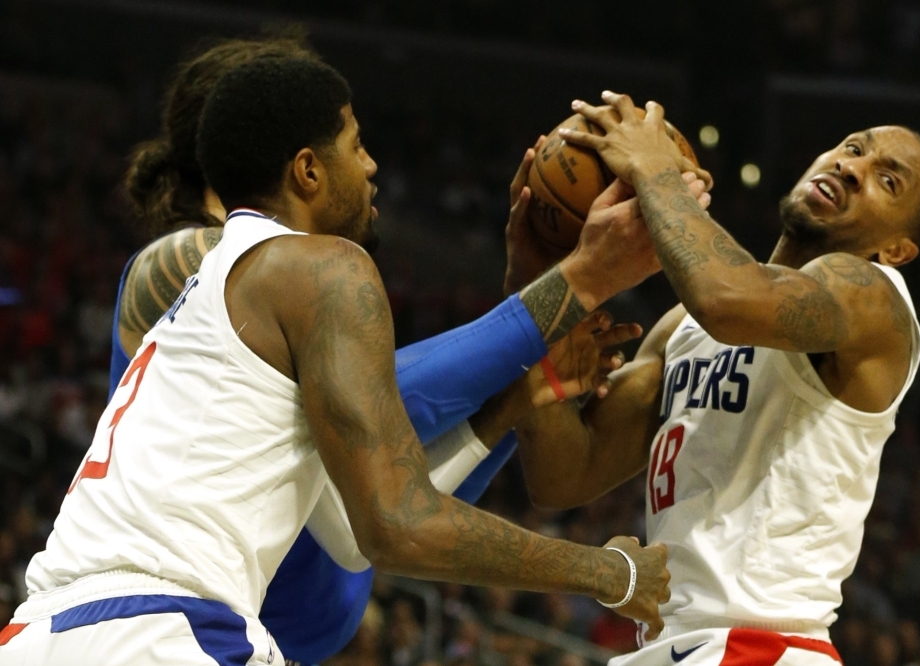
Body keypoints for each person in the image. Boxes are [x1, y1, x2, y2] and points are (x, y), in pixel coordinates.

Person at [0, 59, 676, 666]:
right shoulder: (318, 267)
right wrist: (609, 572)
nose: (373, 166)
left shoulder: (207, 301)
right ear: (308, 170)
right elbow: (400, 526)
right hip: (165, 630)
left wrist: (507, 407)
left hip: (44, 632)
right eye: (357, 146)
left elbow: (352, 538)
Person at [514, 91, 920, 666]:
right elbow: (562, 476)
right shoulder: (683, 328)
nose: (851, 167)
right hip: (673, 646)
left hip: (763, 644)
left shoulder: (872, 299)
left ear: (896, 249)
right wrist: (533, 276)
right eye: (853, 148)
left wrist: (653, 170)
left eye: (886, 181)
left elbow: (725, 296)